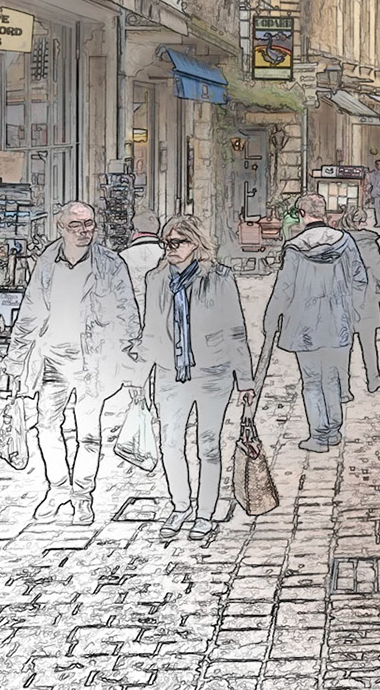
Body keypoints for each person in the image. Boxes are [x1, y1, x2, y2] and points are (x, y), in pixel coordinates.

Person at [7, 201, 142, 524]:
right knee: (46, 427)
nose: (84, 231)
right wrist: (15, 361)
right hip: (53, 361)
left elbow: (128, 316)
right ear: (61, 227)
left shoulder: (111, 264)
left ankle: (82, 495)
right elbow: (31, 310)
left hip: (93, 362)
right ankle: (57, 489)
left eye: (89, 224)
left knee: (89, 434)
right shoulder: (47, 261)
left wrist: (132, 364)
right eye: (76, 225)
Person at [139, 213, 255, 543]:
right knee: (170, 442)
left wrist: (245, 379)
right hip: (169, 373)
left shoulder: (219, 278)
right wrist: (139, 376)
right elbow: (150, 330)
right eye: (167, 242)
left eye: (179, 242)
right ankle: (180, 506)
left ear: (196, 244)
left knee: (208, 445)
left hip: (212, 373)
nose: (171, 248)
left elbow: (235, 329)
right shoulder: (155, 279)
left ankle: (204, 512)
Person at [263, 193, 366, 452]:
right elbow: (359, 278)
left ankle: (319, 435)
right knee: (331, 376)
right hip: (338, 320)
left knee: (311, 381)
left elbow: (284, 288)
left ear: (301, 214)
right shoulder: (345, 241)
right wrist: (352, 309)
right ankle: (333, 430)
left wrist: (271, 318)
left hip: (305, 324)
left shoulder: (295, 247)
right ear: (324, 213)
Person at [344, 214, 380, 395]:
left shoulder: (339, 242)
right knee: (368, 343)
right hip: (366, 299)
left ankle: (343, 389)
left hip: (344, 299)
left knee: (344, 346)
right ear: (360, 223)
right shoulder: (368, 243)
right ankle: (373, 379)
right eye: (363, 219)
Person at [119, 210, 165, 316]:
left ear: (135, 230)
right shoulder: (167, 253)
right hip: (161, 313)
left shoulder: (122, 257)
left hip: (131, 313)